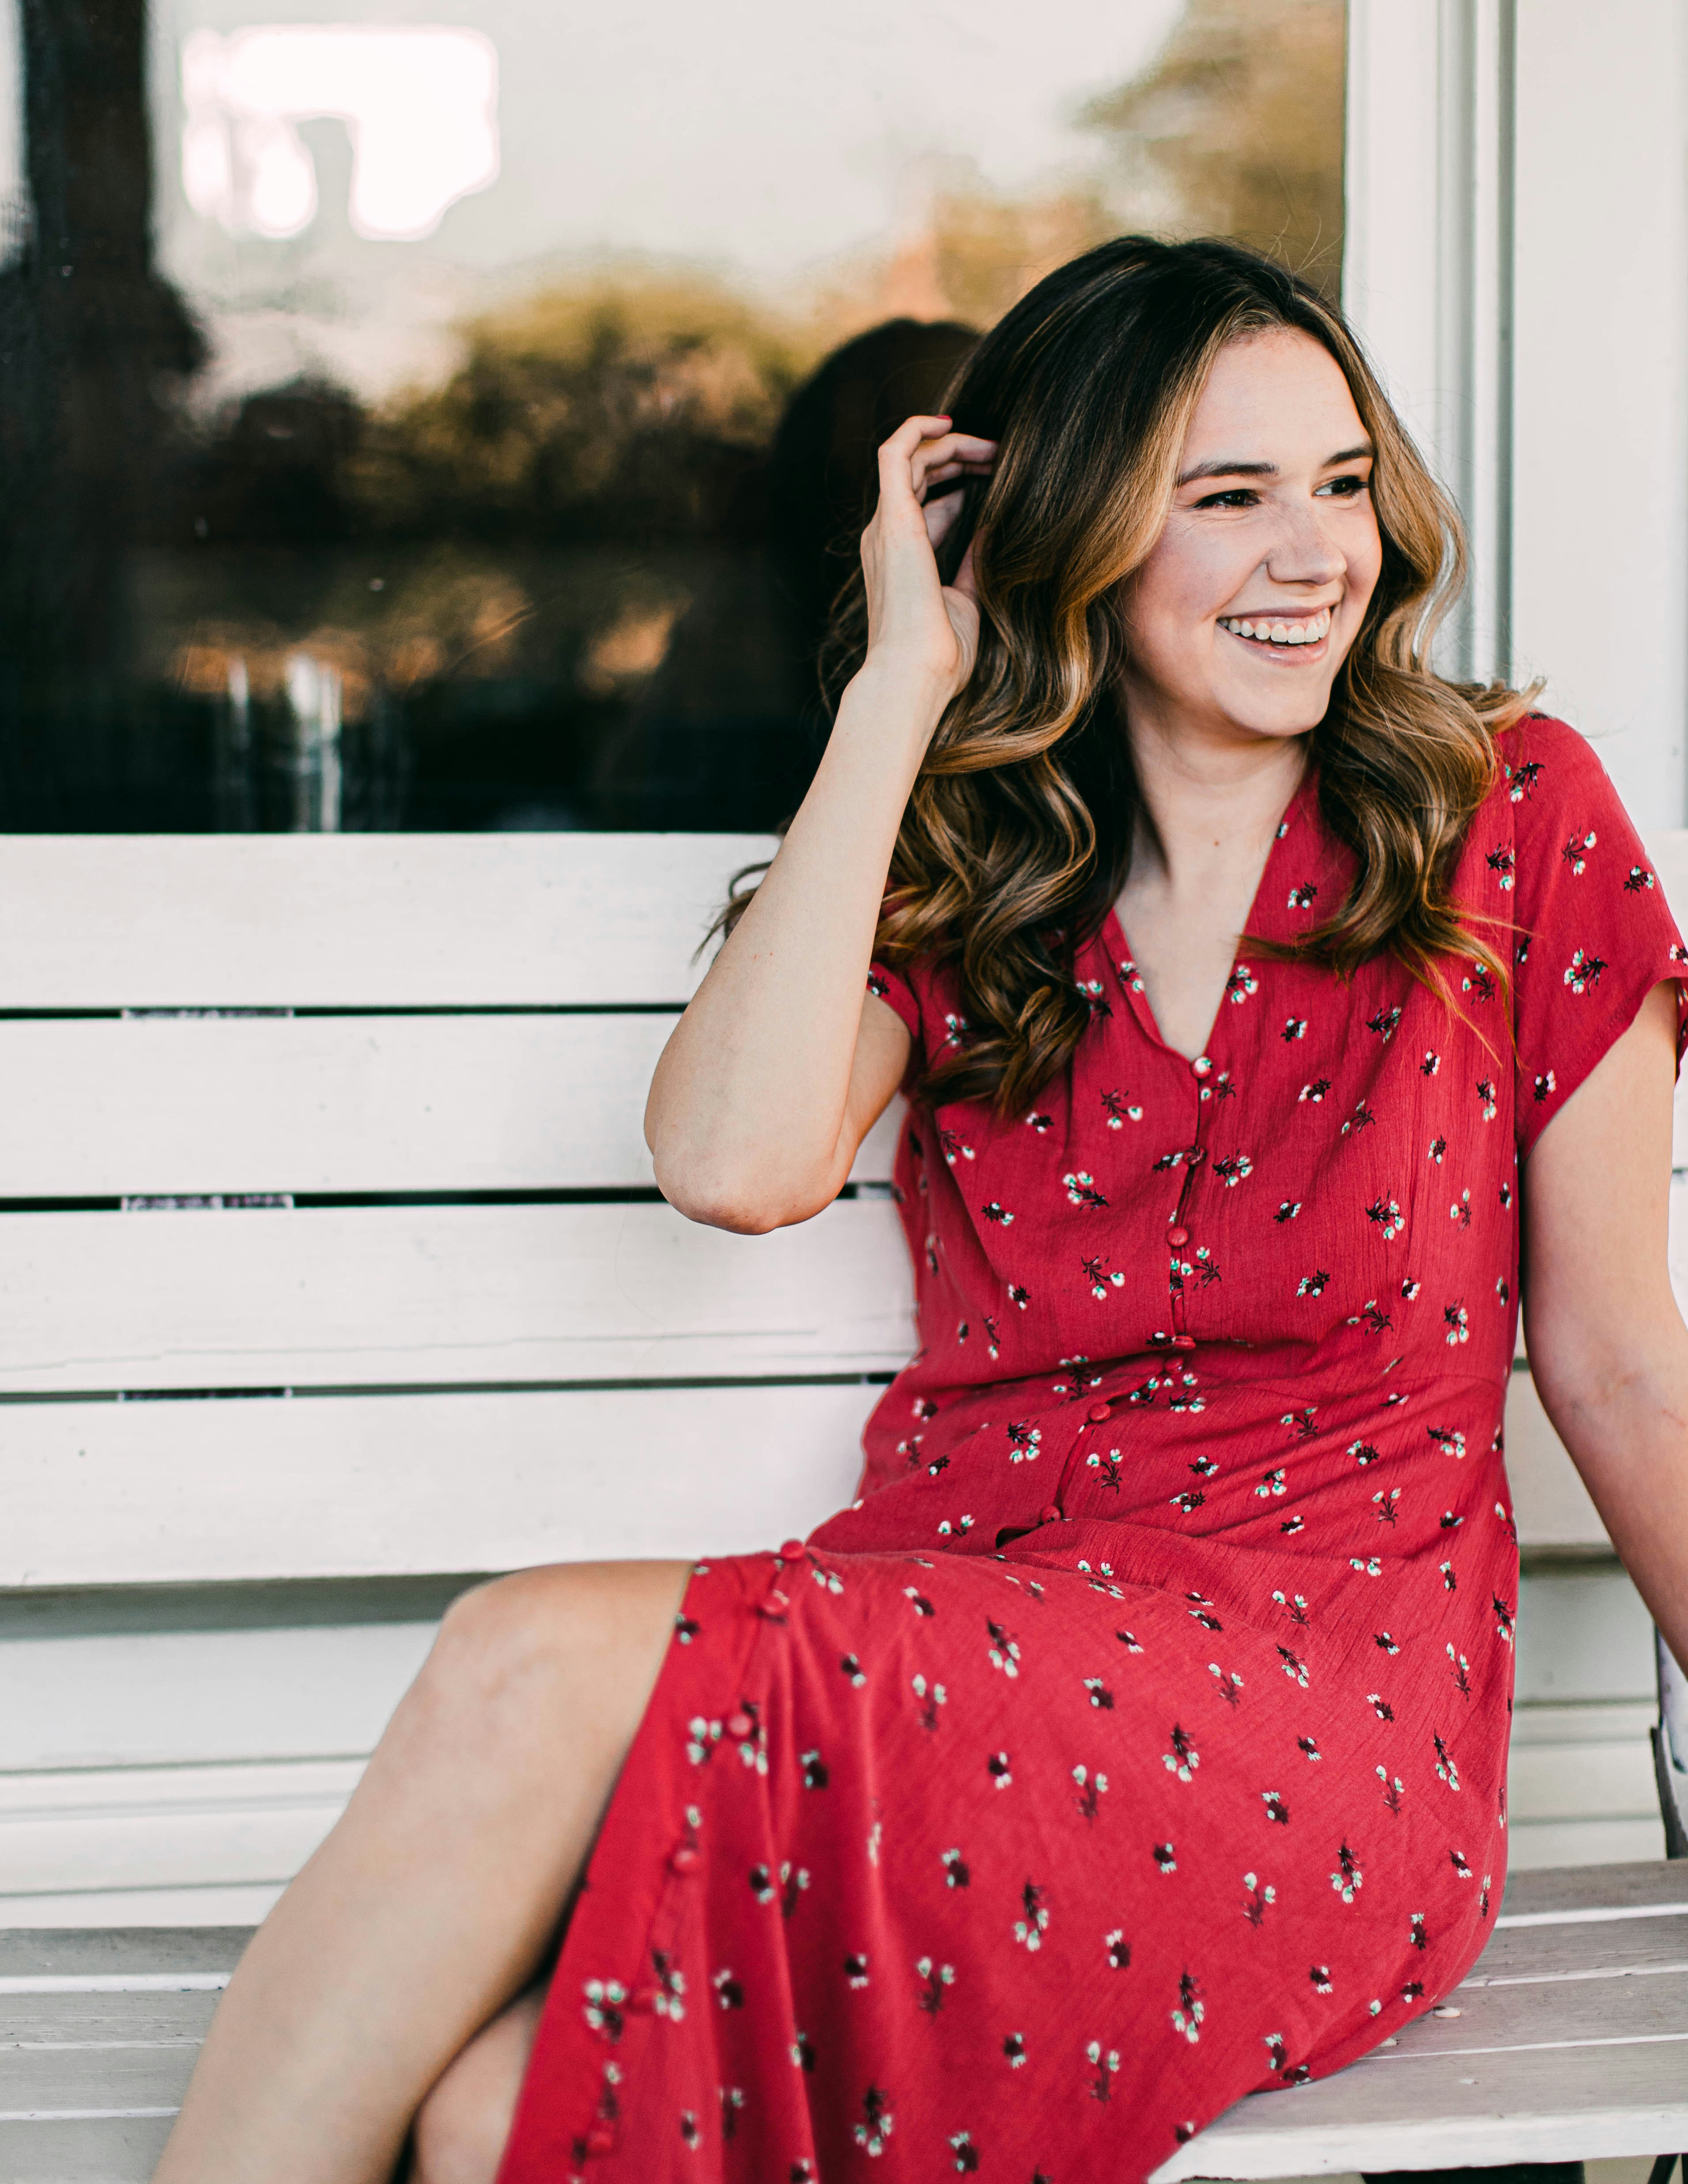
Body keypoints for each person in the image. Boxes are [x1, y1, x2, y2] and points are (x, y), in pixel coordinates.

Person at [152, 236, 1688, 2184]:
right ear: (1069, 536)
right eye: (1224, 498)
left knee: (531, 1656)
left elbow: (1623, 1362)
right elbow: (730, 1156)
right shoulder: (980, 859)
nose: (1316, 552)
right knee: (491, 2111)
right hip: (966, 1636)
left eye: (1338, 482)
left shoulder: (1508, 814)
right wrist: (901, 690)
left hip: (1317, 1716)